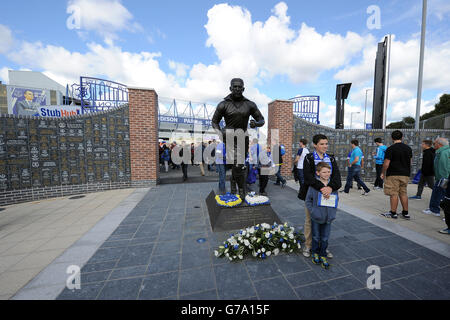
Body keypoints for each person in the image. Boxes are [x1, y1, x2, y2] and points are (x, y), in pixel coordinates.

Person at [211, 78, 265, 200]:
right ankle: (241, 189)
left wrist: (256, 124)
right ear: (230, 88)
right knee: (238, 164)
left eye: (239, 87)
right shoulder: (223, 104)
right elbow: (214, 122)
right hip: (229, 137)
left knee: (238, 165)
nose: (237, 89)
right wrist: (220, 134)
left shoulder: (250, 104)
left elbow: (261, 120)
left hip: (243, 137)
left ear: (243, 89)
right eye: (234, 87)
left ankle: (233, 181)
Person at [299, 134, 342, 259]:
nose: (325, 146)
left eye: (326, 144)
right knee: (309, 220)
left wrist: (330, 188)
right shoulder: (309, 158)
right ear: (315, 145)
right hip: (313, 194)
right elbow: (308, 177)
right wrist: (322, 188)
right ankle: (309, 245)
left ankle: (323, 247)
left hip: (328, 194)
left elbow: (337, 177)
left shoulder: (331, 158)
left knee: (325, 221)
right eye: (322, 144)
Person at [305, 162, 338, 269]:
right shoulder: (314, 186)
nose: (327, 174)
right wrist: (313, 211)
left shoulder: (332, 186)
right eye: (324, 172)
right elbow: (308, 200)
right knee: (315, 236)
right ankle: (315, 252)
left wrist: (333, 212)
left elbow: (336, 200)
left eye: (329, 172)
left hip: (328, 217)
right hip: (316, 216)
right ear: (318, 173)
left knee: (325, 237)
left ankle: (323, 253)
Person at [380, 130, 413, 220]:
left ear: (392, 138)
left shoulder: (390, 149)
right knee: (403, 193)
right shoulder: (408, 148)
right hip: (405, 174)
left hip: (393, 174)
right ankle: (405, 213)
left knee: (393, 193)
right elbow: (410, 162)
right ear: (402, 137)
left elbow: (386, 163)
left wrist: (383, 172)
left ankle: (393, 213)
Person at [423, 138, 450, 217]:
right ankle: (434, 208)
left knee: (438, 193)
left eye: (434, 143)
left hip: (442, 178)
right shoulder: (443, 151)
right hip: (442, 177)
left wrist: (443, 179)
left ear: (439, 144)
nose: (433, 145)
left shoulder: (444, 152)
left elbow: (444, 166)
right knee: (439, 193)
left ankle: (434, 210)